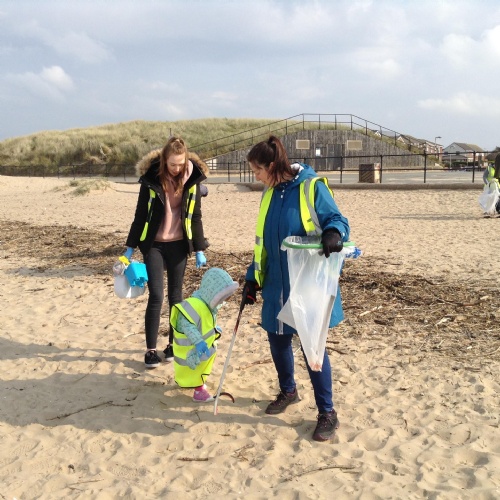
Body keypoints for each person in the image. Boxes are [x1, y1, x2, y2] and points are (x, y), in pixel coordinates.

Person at [242, 135, 350, 442]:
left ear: (272, 166)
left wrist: (333, 233)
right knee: (277, 341)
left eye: (257, 170)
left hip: (307, 285)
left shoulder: (311, 187)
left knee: (312, 348)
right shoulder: (269, 194)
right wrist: (252, 278)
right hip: (275, 283)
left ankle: (327, 412)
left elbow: (338, 219)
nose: (255, 176)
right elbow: (263, 243)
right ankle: (288, 391)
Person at [123, 136, 210, 368]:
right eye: (172, 164)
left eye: (180, 164)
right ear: (164, 160)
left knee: (176, 297)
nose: (176, 168)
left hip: (179, 245)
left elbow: (195, 216)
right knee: (156, 296)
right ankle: (151, 350)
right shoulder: (151, 179)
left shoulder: (192, 179)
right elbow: (140, 215)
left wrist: (199, 249)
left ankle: (173, 344)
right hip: (154, 245)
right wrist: (130, 248)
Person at [170, 267, 238, 402]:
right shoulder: (193, 306)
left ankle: (198, 385)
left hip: (200, 349)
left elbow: (204, 323)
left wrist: (214, 329)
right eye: (221, 299)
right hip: (192, 350)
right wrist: (198, 341)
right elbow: (188, 326)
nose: (222, 302)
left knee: (198, 370)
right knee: (195, 370)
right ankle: (199, 392)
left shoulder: (206, 305)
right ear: (212, 293)